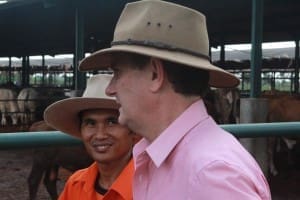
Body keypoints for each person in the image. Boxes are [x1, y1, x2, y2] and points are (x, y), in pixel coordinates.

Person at [78, 1, 271, 199]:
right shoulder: (183, 162)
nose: (110, 89)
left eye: (117, 73)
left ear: (155, 74)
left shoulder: (210, 175)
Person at [44, 74, 140, 200]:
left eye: (112, 122)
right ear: (81, 130)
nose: (100, 135)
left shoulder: (154, 188)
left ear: (133, 130)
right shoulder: (76, 184)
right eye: (90, 123)